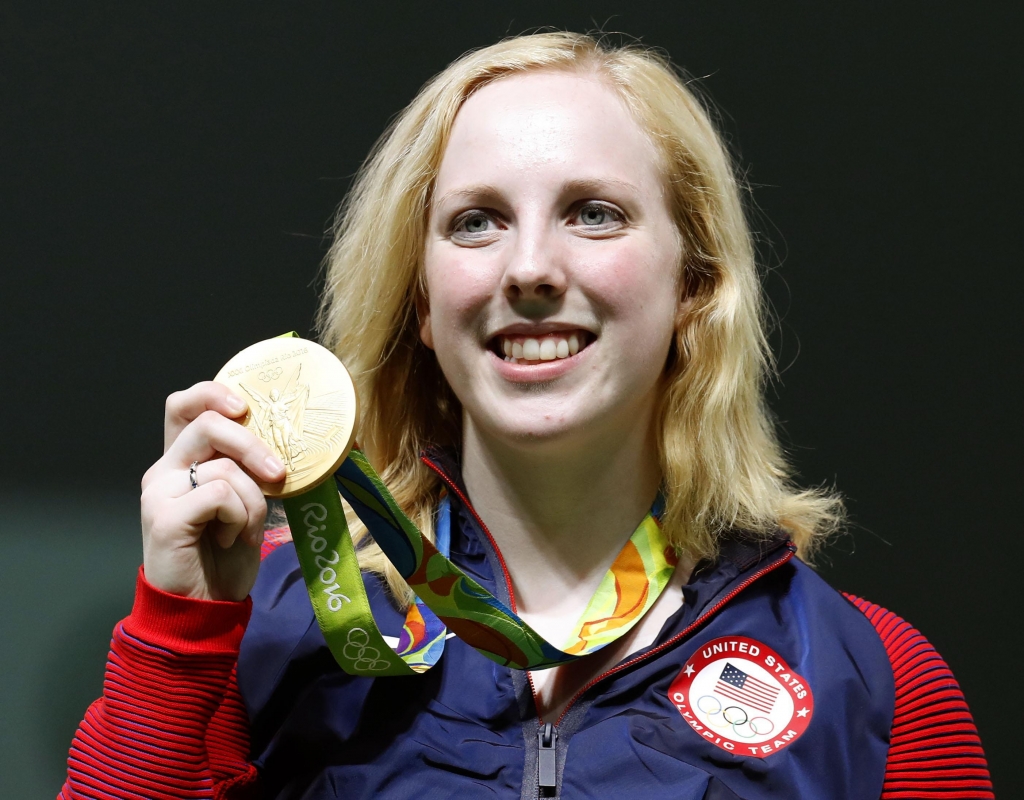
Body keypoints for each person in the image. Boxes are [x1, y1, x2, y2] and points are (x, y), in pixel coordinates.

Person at [59, 32, 993, 799]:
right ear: (420, 301)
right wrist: (182, 637)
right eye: (476, 221)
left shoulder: (871, 681)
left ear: (694, 289)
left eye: (594, 214)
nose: (530, 269)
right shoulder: (262, 632)